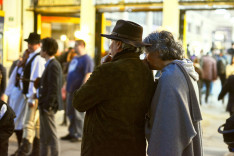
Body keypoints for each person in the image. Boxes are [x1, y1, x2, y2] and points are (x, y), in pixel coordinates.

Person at [72, 20, 155, 156]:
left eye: (112, 42)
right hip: (134, 147)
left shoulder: (108, 70)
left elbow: (79, 102)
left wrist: (102, 67)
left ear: (118, 44)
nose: (110, 46)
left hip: (104, 147)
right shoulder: (146, 70)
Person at [143, 30, 203, 156]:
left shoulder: (170, 77)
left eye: (147, 53)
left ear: (158, 52)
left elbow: (168, 129)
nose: (145, 57)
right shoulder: (183, 69)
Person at [16, 33, 46, 156]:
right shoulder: (33, 56)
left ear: (38, 44)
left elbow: (36, 79)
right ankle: (35, 151)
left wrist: (32, 97)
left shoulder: (37, 58)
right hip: (34, 95)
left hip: (34, 96)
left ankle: (23, 151)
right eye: (29, 43)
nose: (29, 45)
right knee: (37, 125)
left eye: (32, 43)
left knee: (28, 124)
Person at [60, 39, 94, 142]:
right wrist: (65, 86)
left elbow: (88, 74)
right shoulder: (75, 58)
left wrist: (82, 89)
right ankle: (72, 132)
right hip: (70, 89)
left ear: (81, 46)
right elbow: (70, 73)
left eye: (76, 46)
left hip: (77, 91)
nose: (74, 48)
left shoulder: (87, 59)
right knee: (70, 113)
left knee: (78, 115)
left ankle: (79, 134)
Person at [38, 37, 62, 156]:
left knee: (51, 136)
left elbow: (53, 88)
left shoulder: (53, 65)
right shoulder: (50, 64)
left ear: (46, 50)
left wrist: (48, 106)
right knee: (43, 136)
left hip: (47, 107)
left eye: (41, 48)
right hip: (44, 106)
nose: (40, 50)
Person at [5, 50, 29, 156]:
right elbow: (11, 81)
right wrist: (7, 95)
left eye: (24, 56)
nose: (22, 58)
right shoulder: (18, 65)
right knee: (14, 121)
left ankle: (21, 148)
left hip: (22, 98)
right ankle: (20, 148)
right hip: (15, 96)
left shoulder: (28, 67)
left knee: (19, 123)